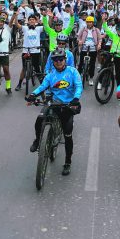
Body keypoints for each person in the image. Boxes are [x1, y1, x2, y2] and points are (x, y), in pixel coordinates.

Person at [26, 48, 82, 176]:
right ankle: (37, 140)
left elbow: (79, 86)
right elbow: (42, 87)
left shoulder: (73, 72)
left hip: (68, 105)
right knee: (40, 119)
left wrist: (76, 98)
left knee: (68, 134)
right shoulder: (51, 74)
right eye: (55, 60)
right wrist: (33, 95)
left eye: (60, 59)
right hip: (54, 103)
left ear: (65, 60)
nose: (58, 62)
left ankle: (68, 162)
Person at [14, 14, 44, 91]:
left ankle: (43, 85)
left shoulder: (39, 28)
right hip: (26, 51)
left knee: (37, 69)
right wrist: (15, 15)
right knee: (24, 68)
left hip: (36, 51)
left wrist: (47, 17)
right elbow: (17, 24)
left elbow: (48, 26)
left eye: (33, 19)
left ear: (36, 21)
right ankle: (19, 84)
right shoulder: (25, 28)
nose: (31, 21)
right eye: (30, 19)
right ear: (28, 21)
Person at [77, 15, 101, 85]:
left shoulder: (96, 30)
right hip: (84, 48)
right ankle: (78, 77)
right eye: (88, 22)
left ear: (93, 23)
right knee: (81, 63)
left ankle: (91, 78)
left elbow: (100, 39)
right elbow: (78, 37)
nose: (89, 23)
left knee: (92, 64)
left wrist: (99, 44)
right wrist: (80, 41)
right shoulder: (83, 29)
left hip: (93, 49)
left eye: (91, 22)